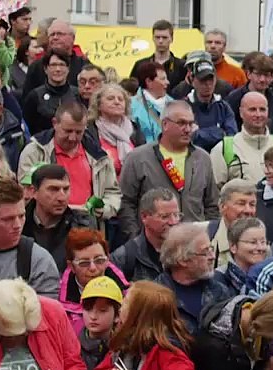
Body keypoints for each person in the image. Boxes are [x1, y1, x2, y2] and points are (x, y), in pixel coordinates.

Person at [118, 100, 218, 238]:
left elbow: (212, 204)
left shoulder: (203, 158)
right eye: (181, 123)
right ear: (165, 124)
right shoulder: (138, 158)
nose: (188, 129)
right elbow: (126, 203)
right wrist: (136, 238)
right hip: (153, 245)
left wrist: (208, 235)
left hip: (194, 243)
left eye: (191, 124)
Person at [18, 101, 121, 231]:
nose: (72, 137)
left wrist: (102, 209)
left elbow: (112, 192)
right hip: (45, 227)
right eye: (67, 131)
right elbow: (26, 191)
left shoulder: (100, 156)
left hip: (87, 226)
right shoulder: (34, 151)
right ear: (55, 123)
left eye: (79, 132)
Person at [21, 165, 96, 271]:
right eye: (53, 189)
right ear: (33, 192)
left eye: (66, 189)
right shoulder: (17, 224)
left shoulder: (83, 226)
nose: (62, 197)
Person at [60, 228, 130, 337]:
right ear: (71, 266)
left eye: (99, 260)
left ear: (108, 259)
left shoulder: (128, 296)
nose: (93, 268)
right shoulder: (57, 300)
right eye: (84, 263)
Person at [155, 223, 219, 337]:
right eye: (205, 252)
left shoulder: (220, 291)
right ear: (182, 260)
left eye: (211, 249)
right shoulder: (155, 298)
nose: (212, 256)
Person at [210, 92, 273, 191]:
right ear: (241, 112)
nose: (258, 114)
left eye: (262, 109)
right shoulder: (223, 148)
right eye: (252, 110)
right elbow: (214, 192)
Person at [111, 188, 181, 284]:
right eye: (164, 217)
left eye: (176, 215)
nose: (173, 222)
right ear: (144, 217)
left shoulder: (190, 252)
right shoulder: (124, 258)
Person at [88, 83, 146, 178]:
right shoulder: (90, 131)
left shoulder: (135, 130)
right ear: (99, 105)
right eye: (110, 99)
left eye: (120, 99)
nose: (117, 102)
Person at [21, 20, 90, 99]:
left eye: (60, 34)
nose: (55, 37)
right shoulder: (36, 66)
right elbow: (27, 100)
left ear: (72, 38)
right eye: (52, 35)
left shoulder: (84, 66)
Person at [210, 217, 269, 302]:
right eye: (253, 242)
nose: (260, 248)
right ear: (233, 247)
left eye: (263, 242)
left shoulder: (271, 275)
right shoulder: (218, 279)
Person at [204, 178, 258, 270]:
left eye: (252, 204)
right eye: (241, 204)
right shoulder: (205, 236)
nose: (248, 210)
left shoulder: (261, 244)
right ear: (222, 207)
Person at [22, 52, 80, 136]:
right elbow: (27, 125)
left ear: (68, 69)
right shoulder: (35, 96)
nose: (58, 69)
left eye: (62, 65)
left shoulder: (77, 94)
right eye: (53, 65)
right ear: (46, 69)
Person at [186, 61, 238, 151]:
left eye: (211, 79)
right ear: (193, 80)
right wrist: (220, 132)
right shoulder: (184, 106)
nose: (208, 84)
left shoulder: (224, 107)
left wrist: (198, 134)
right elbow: (184, 138)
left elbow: (232, 137)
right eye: (203, 80)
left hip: (220, 156)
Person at [128, 20, 186, 94]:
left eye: (164, 37)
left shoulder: (182, 66)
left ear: (171, 39)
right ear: (153, 38)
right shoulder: (140, 65)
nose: (160, 41)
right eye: (157, 37)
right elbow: (131, 91)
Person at [226, 53, 273, 122]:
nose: (262, 79)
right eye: (258, 74)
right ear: (249, 74)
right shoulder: (234, 98)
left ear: (272, 77)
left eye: (266, 75)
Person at [129, 60, 171, 144]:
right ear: (149, 82)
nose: (167, 82)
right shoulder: (131, 106)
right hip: (145, 154)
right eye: (163, 79)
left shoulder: (174, 104)